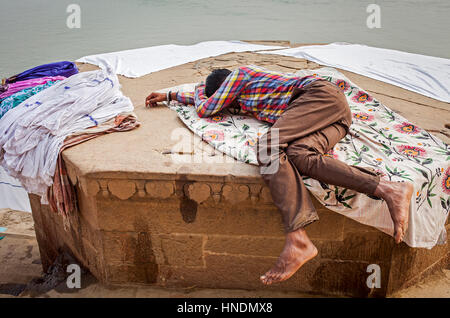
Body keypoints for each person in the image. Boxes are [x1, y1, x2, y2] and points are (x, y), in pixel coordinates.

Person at [145, 65, 413, 285]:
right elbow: (212, 103)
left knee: (268, 148)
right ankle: (389, 189)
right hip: (336, 118)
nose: (228, 106)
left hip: (318, 97)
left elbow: (206, 108)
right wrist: (170, 97)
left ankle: (297, 238)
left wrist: (196, 97)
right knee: (299, 157)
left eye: (223, 97)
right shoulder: (244, 97)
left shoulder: (240, 74)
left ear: (223, 86)